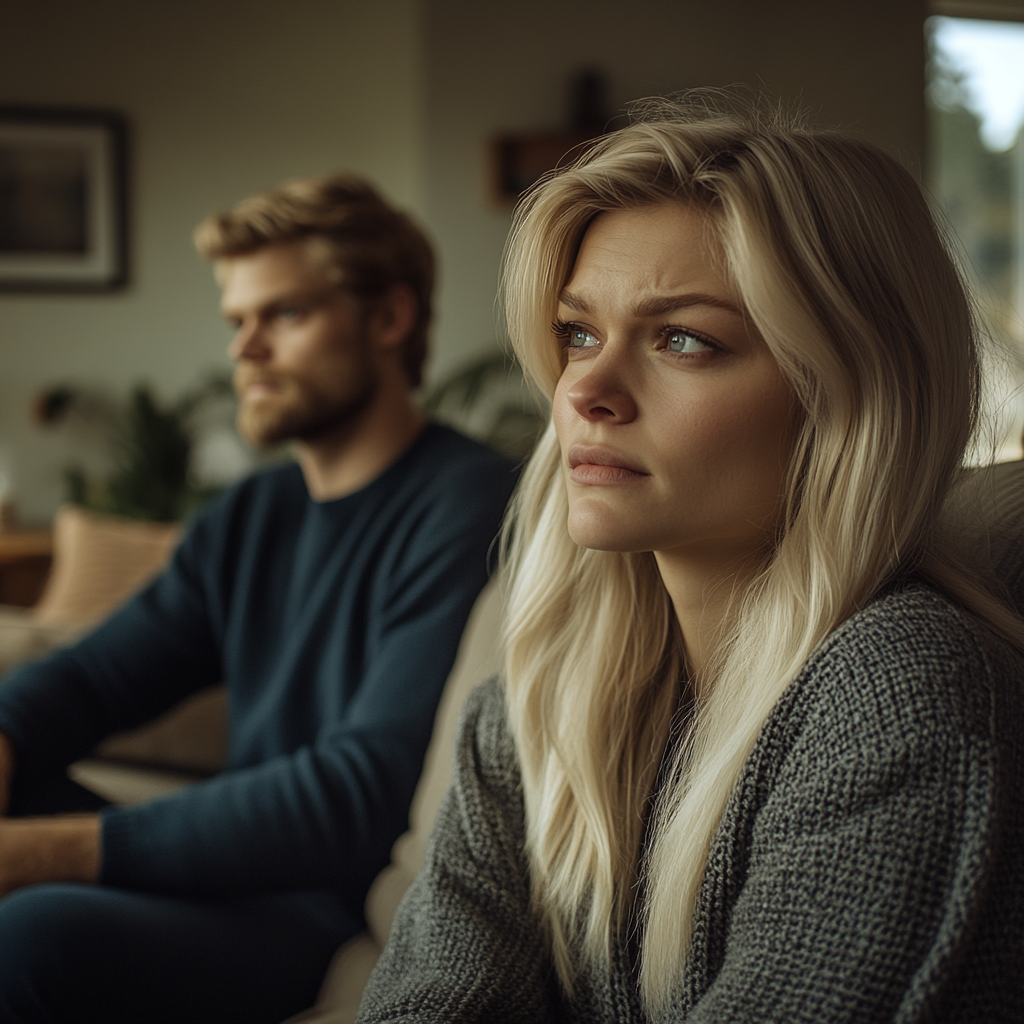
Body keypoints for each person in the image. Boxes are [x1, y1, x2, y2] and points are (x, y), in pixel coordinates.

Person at [355, 97, 1024, 1023]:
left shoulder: (905, 697)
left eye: (684, 340)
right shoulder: (537, 698)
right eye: (579, 332)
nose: (585, 388)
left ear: (843, 398)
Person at [0, 174, 516, 1023]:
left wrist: (41, 855)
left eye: (284, 315)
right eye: (237, 321)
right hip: (226, 877)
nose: (244, 352)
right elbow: (90, 680)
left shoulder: (469, 504)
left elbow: (364, 790)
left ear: (388, 320)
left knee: (32, 934)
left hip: (312, 905)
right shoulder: (252, 514)